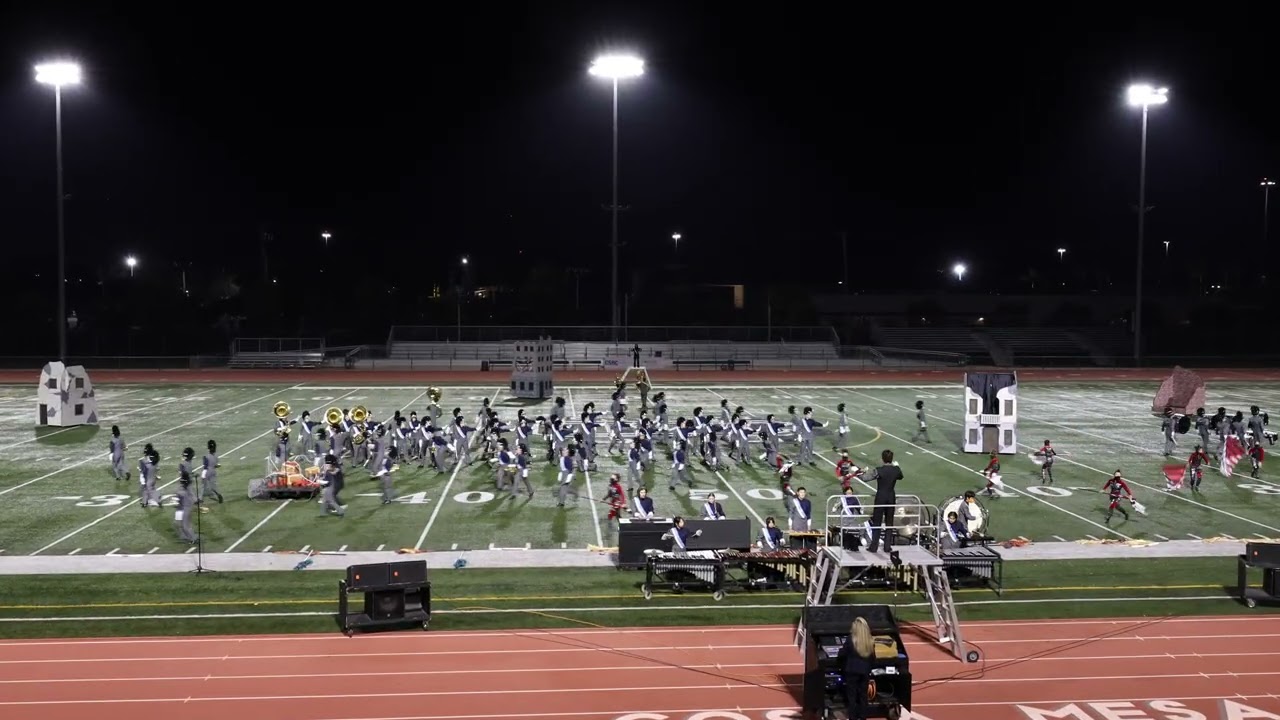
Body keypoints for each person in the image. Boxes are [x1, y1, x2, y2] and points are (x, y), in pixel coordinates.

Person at [836, 616, 874, 720]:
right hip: (865, 671)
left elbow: (842, 654)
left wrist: (840, 655)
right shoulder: (870, 640)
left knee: (852, 696)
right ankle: (863, 717)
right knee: (863, 695)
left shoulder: (851, 639)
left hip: (852, 671)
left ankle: (852, 717)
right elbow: (872, 657)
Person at [867, 449, 902, 553]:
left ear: (882, 459)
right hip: (891, 497)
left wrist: (858, 472)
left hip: (880, 497)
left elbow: (866, 478)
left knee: (877, 522)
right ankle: (887, 546)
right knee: (889, 522)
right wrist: (897, 466)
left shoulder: (879, 470)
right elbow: (900, 476)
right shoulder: (896, 470)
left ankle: (874, 547)